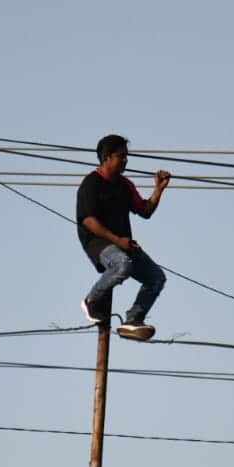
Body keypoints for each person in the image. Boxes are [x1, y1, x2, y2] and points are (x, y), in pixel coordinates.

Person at [75, 133, 171, 341]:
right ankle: (92, 300)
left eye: (127, 156)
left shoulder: (125, 185)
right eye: (121, 156)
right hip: (97, 242)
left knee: (156, 277)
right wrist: (118, 241)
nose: (126, 160)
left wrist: (158, 190)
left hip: (123, 244)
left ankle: (133, 320)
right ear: (107, 157)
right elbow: (89, 221)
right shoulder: (91, 184)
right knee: (122, 264)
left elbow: (145, 210)